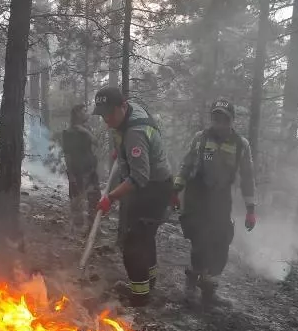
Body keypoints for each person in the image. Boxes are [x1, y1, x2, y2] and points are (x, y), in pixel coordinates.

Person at [92, 87, 173, 306]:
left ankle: (139, 297)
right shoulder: (129, 115)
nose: (107, 120)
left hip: (152, 189)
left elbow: (139, 177)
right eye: (102, 115)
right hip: (153, 185)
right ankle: (150, 280)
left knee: (133, 244)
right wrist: (123, 151)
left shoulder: (135, 132)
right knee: (145, 237)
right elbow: (130, 146)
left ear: (123, 106)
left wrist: (110, 197)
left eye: (109, 114)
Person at [171, 99, 256, 306]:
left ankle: (209, 289)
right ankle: (191, 283)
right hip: (197, 195)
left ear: (231, 120)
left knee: (221, 242)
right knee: (200, 241)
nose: (219, 123)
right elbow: (186, 165)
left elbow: (247, 178)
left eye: (224, 119)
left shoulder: (240, 145)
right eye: (215, 118)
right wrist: (175, 190)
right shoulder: (200, 138)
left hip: (221, 198)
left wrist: (250, 209)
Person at [62, 104, 101, 230]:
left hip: (91, 170)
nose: (87, 113)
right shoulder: (68, 133)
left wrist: (85, 131)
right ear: (77, 113)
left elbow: (96, 143)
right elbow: (67, 155)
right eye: (84, 111)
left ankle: (93, 227)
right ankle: (77, 229)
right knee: (77, 201)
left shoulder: (86, 130)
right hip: (78, 171)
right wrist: (71, 175)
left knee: (94, 198)